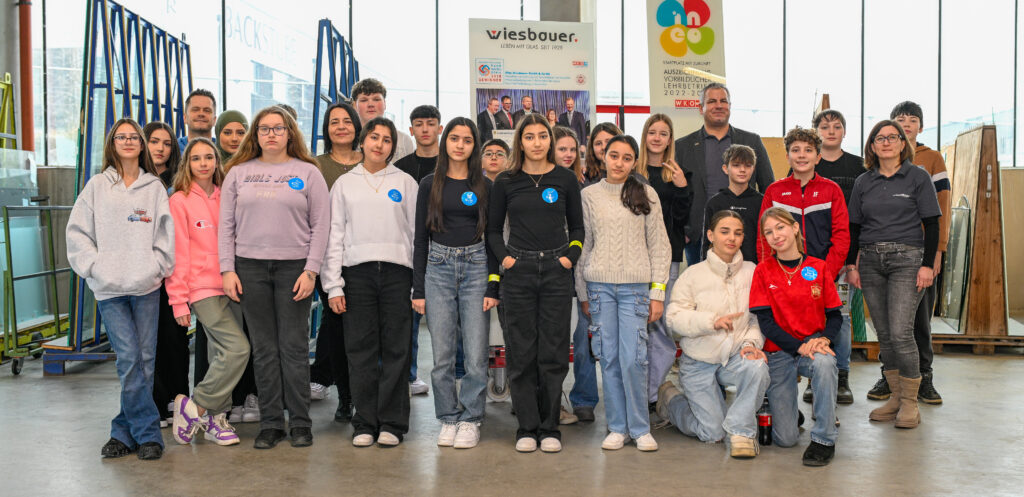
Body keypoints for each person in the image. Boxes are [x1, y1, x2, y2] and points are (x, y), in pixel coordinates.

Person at [219, 106, 331, 450]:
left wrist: (311, 270)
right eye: (264, 128)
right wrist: (227, 269)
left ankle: (300, 423)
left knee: (294, 348)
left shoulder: (308, 172)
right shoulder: (238, 173)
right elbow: (226, 226)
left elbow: (321, 225)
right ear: (256, 134)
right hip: (249, 268)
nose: (271, 134)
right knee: (264, 349)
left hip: (294, 269)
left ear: (289, 133)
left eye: (278, 128)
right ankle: (270, 423)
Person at [66, 118, 175, 461]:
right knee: (129, 359)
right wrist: (94, 267)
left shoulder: (154, 188)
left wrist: (157, 267)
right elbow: (77, 232)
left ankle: (122, 432)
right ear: (112, 144)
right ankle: (149, 435)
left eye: (133, 137)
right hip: (109, 290)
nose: (128, 142)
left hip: (146, 287)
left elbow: (165, 235)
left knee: (145, 361)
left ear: (141, 145)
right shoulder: (98, 186)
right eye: (120, 137)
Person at [487, 113, 584, 453]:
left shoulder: (565, 179)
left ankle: (549, 427)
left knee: (554, 353)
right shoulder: (505, 181)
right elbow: (492, 231)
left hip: (557, 272)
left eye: (543, 136)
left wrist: (570, 257)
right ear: (520, 142)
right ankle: (527, 428)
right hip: (519, 273)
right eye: (529, 137)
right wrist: (506, 260)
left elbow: (578, 228)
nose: (537, 142)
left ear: (550, 140)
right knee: (521, 352)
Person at [321, 117, 419, 448]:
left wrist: (417, 285)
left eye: (387, 140)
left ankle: (392, 423)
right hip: (356, 275)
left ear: (393, 147)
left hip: (397, 274)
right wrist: (333, 285)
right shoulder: (344, 184)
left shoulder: (405, 182)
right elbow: (334, 235)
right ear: (362, 141)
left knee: (396, 350)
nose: (379, 144)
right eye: (374, 137)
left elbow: (416, 236)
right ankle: (364, 422)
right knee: (360, 350)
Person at [576, 134, 670, 452]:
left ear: (634, 162)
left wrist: (658, 292)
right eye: (613, 155)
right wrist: (583, 293)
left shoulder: (646, 193)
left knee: (634, 360)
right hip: (599, 289)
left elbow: (660, 246)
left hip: (636, 290)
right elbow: (584, 246)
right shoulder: (589, 196)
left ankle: (640, 428)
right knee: (609, 358)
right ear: (603, 157)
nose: (619, 163)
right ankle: (617, 427)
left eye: (626, 158)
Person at [846, 120, 941, 430]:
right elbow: (854, 227)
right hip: (870, 261)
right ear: (872, 146)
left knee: (901, 333)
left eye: (892, 137)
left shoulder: (918, 176)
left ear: (903, 143)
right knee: (885, 334)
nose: (886, 142)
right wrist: (851, 265)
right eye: (879, 138)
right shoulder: (863, 181)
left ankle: (911, 402)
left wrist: (927, 265)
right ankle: (896, 397)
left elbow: (932, 223)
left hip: (908, 260)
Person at [411, 117, 499, 449]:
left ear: (474, 146)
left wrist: (493, 285)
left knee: (475, 354)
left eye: (467, 140)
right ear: (445, 141)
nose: (460, 145)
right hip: (438, 268)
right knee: (443, 355)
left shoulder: (485, 185)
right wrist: (419, 289)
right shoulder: (428, 184)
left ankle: (471, 418)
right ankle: (448, 417)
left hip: (477, 267)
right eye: (454, 138)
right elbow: (420, 239)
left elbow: (493, 237)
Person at [659, 210, 769, 458]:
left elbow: (757, 318)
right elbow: (673, 319)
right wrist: (711, 322)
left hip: (734, 356)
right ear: (710, 235)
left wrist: (751, 343)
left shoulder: (753, 272)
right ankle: (671, 400)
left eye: (738, 233)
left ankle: (740, 431)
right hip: (698, 363)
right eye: (724, 232)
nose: (732, 238)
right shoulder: (693, 274)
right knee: (712, 433)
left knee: (757, 367)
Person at [862, 102, 950, 405]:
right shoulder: (872, 171)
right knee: (888, 327)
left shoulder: (930, 161)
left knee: (917, 323)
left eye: (912, 120)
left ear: (917, 129)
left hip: (918, 254)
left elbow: (941, 210)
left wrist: (936, 253)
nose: (906, 124)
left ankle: (924, 378)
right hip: (878, 257)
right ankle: (890, 380)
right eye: (901, 119)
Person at [757, 127, 851, 408]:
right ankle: (786, 378)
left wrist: (826, 274)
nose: (802, 155)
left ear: (818, 156)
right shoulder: (775, 191)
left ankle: (838, 377)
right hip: (784, 276)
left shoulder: (831, 190)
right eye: (795, 150)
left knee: (837, 321)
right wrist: (768, 272)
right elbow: (763, 237)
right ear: (787, 156)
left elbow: (841, 235)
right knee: (784, 323)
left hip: (825, 273)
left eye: (808, 150)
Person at [166, 138, 248, 447]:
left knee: (220, 354)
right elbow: (178, 253)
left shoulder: (227, 195)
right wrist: (178, 300)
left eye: (209, 157)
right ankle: (196, 406)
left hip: (231, 284)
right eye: (196, 158)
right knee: (238, 349)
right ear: (187, 163)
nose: (203, 163)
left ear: (217, 161)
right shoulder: (179, 201)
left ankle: (215, 418)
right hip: (201, 289)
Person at [751, 207, 842, 467]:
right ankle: (789, 414)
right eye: (769, 232)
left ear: (794, 228)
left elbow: (835, 316)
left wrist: (824, 339)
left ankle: (824, 439)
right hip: (779, 351)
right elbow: (766, 324)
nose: (776, 235)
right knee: (786, 439)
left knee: (825, 362)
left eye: (780, 227)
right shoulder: (763, 270)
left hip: (812, 346)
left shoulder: (818, 267)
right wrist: (798, 346)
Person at [803, 109, 866, 405]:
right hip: (807, 261)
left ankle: (841, 377)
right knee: (808, 316)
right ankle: (814, 375)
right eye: (824, 126)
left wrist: (850, 260)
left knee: (840, 317)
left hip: (842, 257)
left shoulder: (858, 166)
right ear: (816, 132)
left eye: (837, 126)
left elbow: (857, 219)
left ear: (844, 132)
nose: (831, 131)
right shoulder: (805, 165)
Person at [675, 83, 774, 266]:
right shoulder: (682, 146)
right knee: (703, 283)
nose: (718, 105)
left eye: (723, 101)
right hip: (698, 236)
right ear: (701, 108)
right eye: (712, 101)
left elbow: (768, 187)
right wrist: (685, 230)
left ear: (730, 106)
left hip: (746, 234)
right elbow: (676, 194)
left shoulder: (751, 140)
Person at [309, 101, 363, 420]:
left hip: (365, 259)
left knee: (364, 332)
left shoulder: (371, 161)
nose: (341, 126)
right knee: (338, 329)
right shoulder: (315, 166)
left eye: (346, 121)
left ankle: (366, 395)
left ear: (356, 126)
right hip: (328, 258)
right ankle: (346, 397)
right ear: (326, 129)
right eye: (334, 122)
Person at [635, 114, 691, 414]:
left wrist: (682, 188)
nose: (657, 138)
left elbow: (682, 220)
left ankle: (651, 393)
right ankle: (635, 390)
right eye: (652, 132)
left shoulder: (677, 174)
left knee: (659, 327)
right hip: (633, 260)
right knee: (636, 328)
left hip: (666, 260)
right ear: (645, 136)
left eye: (663, 133)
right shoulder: (633, 172)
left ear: (670, 139)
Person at [568, 121, 622, 423]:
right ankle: (584, 399)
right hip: (590, 273)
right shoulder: (582, 184)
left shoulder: (634, 183)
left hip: (624, 277)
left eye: (609, 142)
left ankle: (624, 399)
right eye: (598, 143)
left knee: (623, 343)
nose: (604, 148)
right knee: (584, 338)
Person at [394, 104, 444, 397]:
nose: (425, 129)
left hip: (448, 248)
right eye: (419, 124)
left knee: (451, 321)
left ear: (440, 128)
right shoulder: (400, 168)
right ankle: (410, 375)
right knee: (409, 318)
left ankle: (458, 375)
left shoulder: (452, 164)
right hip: (410, 249)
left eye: (431, 123)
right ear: (411, 130)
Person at [142, 121, 188, 428]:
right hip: (142, 272)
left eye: (167, 143)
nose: (160, 148)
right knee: (149, 341)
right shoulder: (135, 180)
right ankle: (155, 403)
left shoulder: (178, 183)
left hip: (173, 271)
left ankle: (178, 399)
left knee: (175, 337)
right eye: (154, 141)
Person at [702, 144, 762, 263]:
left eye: (748, 165)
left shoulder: (761, 202)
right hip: (720, 267)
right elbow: (706, 243)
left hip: (754, 267)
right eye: (736, 165)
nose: (742, 170)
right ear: (725, 168)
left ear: (753, 169)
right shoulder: (715, 203)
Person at [351, 78, 416, 160]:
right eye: (364, 100)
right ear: (354, 105)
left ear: (385, 103)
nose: (370, 104)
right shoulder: (347, 139)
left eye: (376, 99)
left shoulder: (403, 140)